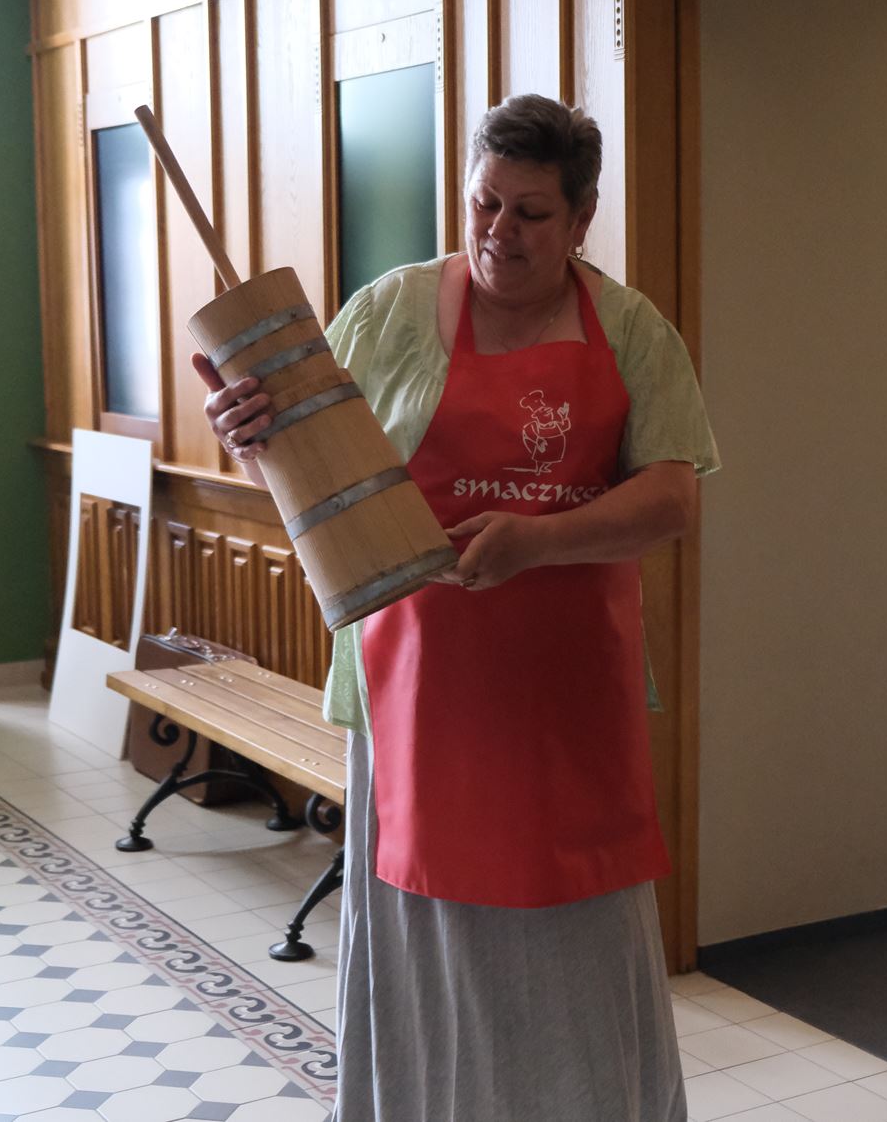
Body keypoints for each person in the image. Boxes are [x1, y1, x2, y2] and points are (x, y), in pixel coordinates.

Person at [192, 94, 718, 1121]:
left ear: (581, 218)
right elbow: (307, 478)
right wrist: (249, 438)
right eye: (484, 202)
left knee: (576, 943)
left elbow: (672, 499)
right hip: (412, 686)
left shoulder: (631, 331)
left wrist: (537, 539)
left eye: (530, 212)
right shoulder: (388, 313)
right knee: (423, 938)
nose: (498, 231)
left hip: (567, 694)